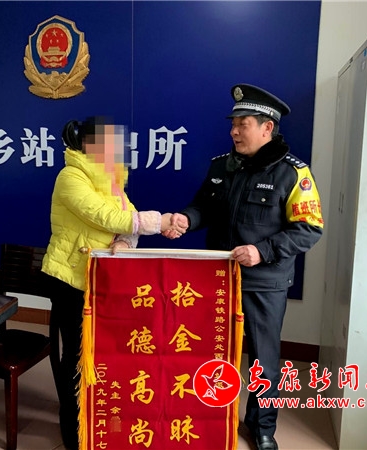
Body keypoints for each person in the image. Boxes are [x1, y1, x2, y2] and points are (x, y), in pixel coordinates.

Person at [167, 84, 324, 450]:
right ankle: (213, 415)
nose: (234, 131)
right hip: (218, 279)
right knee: (213, 351)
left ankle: (261, 426)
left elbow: (309, 229)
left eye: (243, 124)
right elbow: (203, 207)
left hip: (263, 282)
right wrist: (187, 219)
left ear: (267, 127)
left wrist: (262, 251)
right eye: (233, 124)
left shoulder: (293, 174)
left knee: (263, 361)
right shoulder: (222, 166)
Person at [41, 116, 186, 450]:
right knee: (76, 356)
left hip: (100, 283)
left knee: (100, 355)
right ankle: (73, 431)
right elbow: (105, 217)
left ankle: (94, 418)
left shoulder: (111, 182)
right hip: (70, 281)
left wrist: (125, 242)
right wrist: (159, 221)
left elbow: (126, 223)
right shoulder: (71, 177)